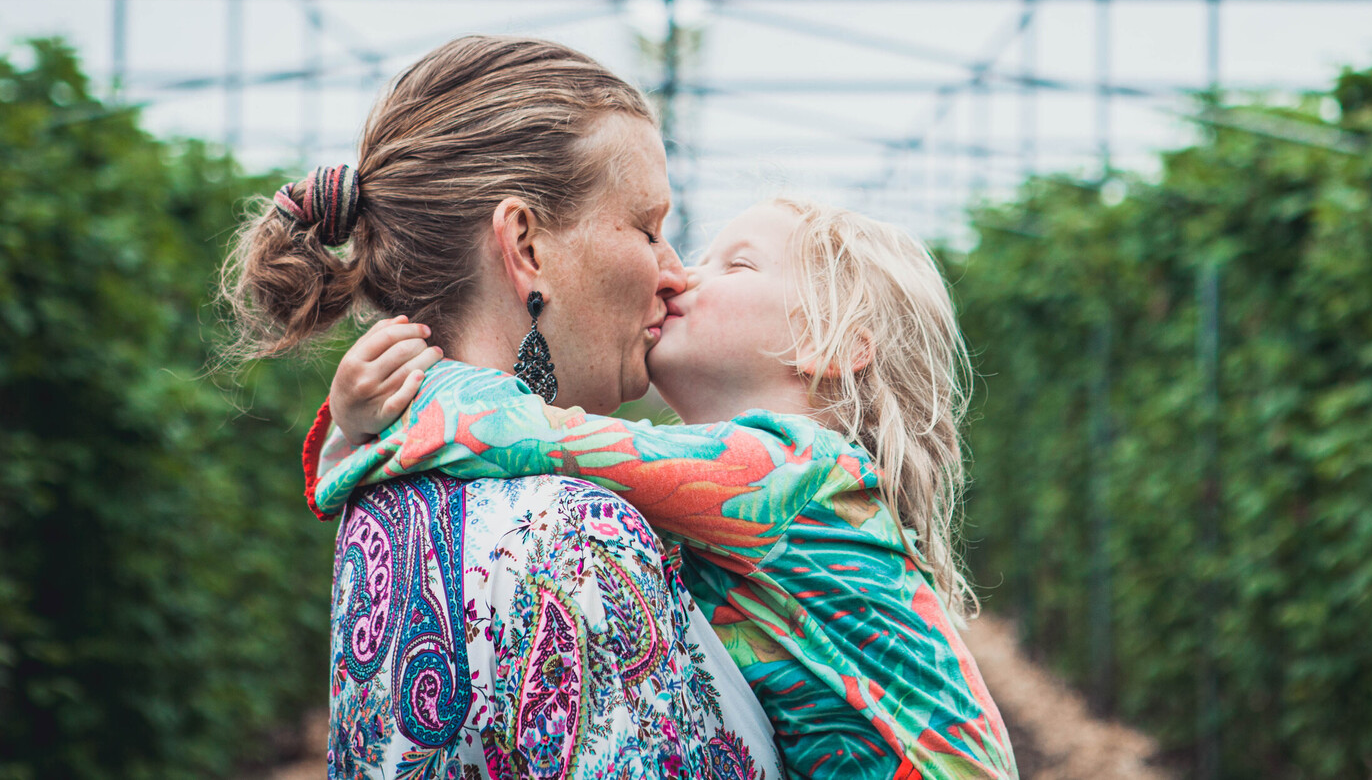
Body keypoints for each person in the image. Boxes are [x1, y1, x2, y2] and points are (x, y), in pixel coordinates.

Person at [305, 199, 1020, 780]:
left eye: (735, 263)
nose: (677, 275)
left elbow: (537, 433)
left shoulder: (794, 471)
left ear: (832, 345)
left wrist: (383, 404)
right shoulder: (770, 488)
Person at [223, 36, 782, 779]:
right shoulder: (574, 533)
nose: (675, 270)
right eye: (648, 227)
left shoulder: (379, 506)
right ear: (525, 244)